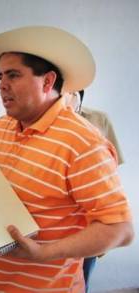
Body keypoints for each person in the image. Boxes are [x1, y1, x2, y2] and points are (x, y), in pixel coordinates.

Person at [0, 26, 134, 292]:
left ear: (47, 81)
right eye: (0, 76)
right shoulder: (0, 128)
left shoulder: (82, 141)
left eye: (13, 75)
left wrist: (43, 252)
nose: (1, 84)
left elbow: (120, 229)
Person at [65, 90, 125, 291]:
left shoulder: (99, 119)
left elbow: (112, 169)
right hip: (55, 220)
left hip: (89, 217)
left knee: (82, 278)